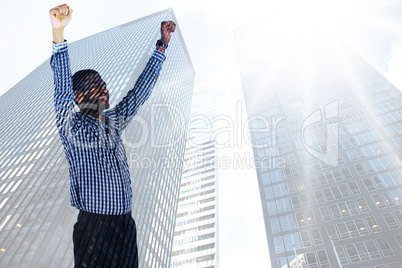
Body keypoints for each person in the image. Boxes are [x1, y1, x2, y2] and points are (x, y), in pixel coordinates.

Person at [49, 4, 176, 267]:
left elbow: (139, 92)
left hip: (125, 224)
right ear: (79, 97)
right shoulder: (72, 126)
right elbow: (61, 89)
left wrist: (161, 48)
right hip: (95, 227)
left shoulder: (114, 122)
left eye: (104, 86)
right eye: (96, 87)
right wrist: (58, 33)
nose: (104, 91)